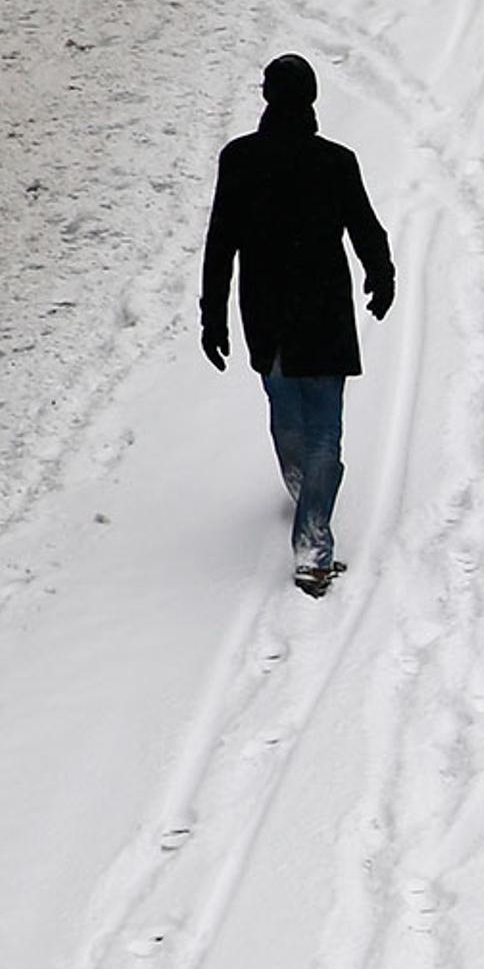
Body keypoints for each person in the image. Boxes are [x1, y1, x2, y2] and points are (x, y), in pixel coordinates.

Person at [200, 53, 392, 589]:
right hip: (324, 317)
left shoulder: (240, 159)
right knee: (324, 430)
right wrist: (382, 275)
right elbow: (366, 229)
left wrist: (212, 315)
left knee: (289, 418)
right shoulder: (336, 161)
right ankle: (313, 525)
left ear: (266, 96)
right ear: (311, 99)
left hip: (270, 319)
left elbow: (221, 246)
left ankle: (310, 511)